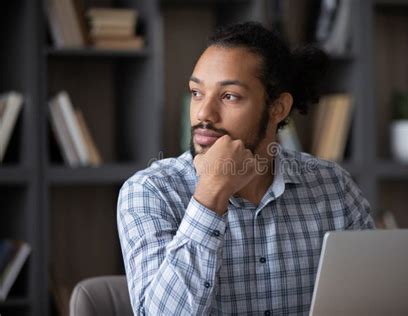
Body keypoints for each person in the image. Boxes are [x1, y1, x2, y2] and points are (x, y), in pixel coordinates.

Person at [117, 21, 374, 315]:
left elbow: (376, 298)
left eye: (229, 96)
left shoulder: (335, 188)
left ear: (278, 108)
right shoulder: (150, 192)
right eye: (197, 92)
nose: (203, 112)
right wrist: (210, 197)